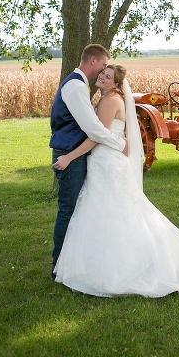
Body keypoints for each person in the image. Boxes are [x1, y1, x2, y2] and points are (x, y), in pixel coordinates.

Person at [52, 64, 179, 297]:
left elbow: (95, 135)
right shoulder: (112, 98)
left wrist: (69, 157)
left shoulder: (110, 101)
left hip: (107, 162)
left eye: (107, 76)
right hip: (107, 161)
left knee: (107, 211)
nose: (101, 77)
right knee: (115, 212)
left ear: (116, 84)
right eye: (102, 73)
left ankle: (115, 268)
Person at [50, 44, 129, 279]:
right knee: (69, 210)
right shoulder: (76, 86)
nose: (104, 71)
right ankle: (59, 267)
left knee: (80, 210)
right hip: (70, 153)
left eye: (108, 72)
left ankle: (74, 264)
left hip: (81, 154)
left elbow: (95, 129)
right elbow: (93, 129)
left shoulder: (84, 88)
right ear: (93, 61)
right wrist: (120, 143)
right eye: (104, 66)